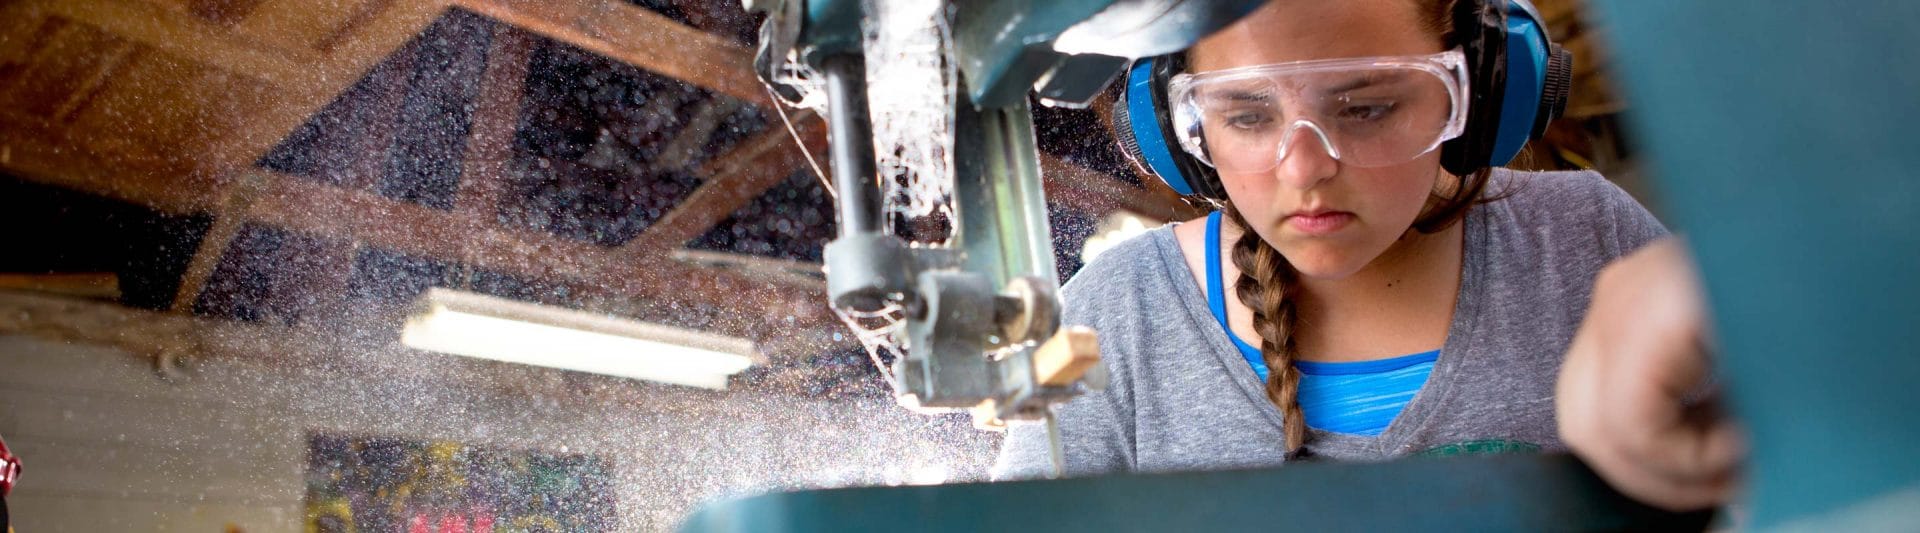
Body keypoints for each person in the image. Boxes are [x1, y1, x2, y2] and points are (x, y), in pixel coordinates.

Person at [992, 0, 1739, 511]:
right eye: (1248, 115)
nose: (1304, 169)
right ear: (1174, 123)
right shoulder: (1118, 316)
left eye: (1367, 107)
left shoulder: (1584, 244)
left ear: (1478, 93)